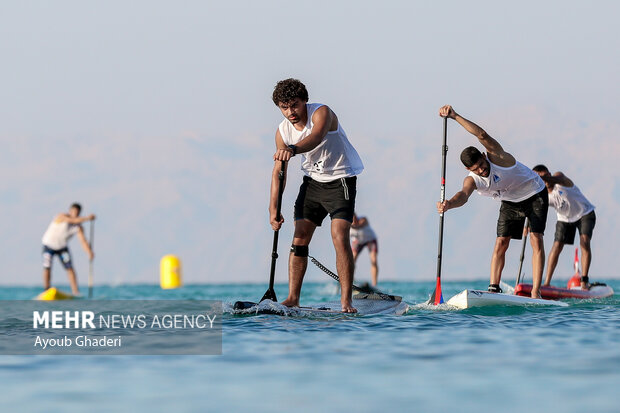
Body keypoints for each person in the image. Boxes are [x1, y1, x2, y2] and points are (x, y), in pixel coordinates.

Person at [269, 78, 364, 313]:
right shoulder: (282, 132)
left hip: (340, 179)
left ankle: (346, 302)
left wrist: (291, 150)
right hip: (312, 183)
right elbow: (278, 172)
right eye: (284, 107)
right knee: (299, 237)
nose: (290, 112)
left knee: (339, 236)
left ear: (304, 102)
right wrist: (273, 208)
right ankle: (292, 298)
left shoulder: (322, 113)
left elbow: (316, 138)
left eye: (295, 105)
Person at [436, 105, 548, 298]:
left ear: (483, 156)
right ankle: (493, 289)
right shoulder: (472, 179)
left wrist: (455, 116)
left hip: (535, 193)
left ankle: (536, 292)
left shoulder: (498, 157)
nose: (481, 170)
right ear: (469, 170)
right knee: (501, 242)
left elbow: (482, 134)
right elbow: (463, 195)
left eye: (481, 164)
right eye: (476, 169)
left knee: (535, 239)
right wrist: (448, 205)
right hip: (510, 200)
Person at [532, 165, 595, 289]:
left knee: (584, 241)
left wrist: (542, 177)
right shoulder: (542, 195)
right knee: (557, 246)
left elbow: (556, 178)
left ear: (549, 174)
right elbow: (533, 210)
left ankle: (584, 282)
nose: (544, 181)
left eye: (545, 176)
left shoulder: (560, 180)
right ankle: (546, 283)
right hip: (564, 218)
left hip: (585, 213)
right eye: (539, 179)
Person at [41, 203, 95, 295]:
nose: (75, 214)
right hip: (48, 245)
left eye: (77, 213)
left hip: (62, 247)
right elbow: (71, 220)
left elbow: (83, 241)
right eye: (73, 211)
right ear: (70, 211)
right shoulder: (61, 216)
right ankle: (46, 289)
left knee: (70, 268)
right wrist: (87, 218)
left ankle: (75, 292)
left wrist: (89, 252)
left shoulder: (78, 227)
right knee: (47, 267)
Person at [350, 213, 379, 286]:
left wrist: (350, 225)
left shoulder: (363, 219)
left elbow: (358, 225)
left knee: (373, 260)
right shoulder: (347, 224)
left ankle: (374, 284)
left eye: (355, 219)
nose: (354, 222)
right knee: (351, 261)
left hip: (370, 240)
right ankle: (351, 281)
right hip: (358, 242)